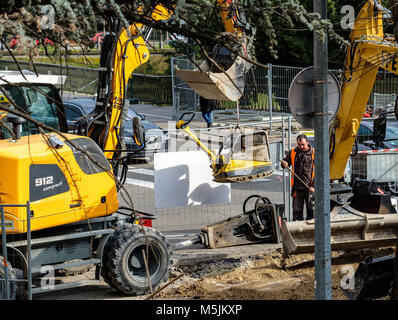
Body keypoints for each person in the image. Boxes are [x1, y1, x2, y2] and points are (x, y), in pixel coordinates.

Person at [281, 134, 315, 221]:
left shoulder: (314, 153)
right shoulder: (293, 152)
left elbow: (319, 172)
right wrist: (284, 163)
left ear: (307, 142)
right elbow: (286, 161)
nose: (301, 146)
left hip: (309, 188)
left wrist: (314, 186)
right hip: (297, 188)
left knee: (311, 213)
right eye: (299, 144)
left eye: (303, 144)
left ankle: (311, 232)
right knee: (296, 213)